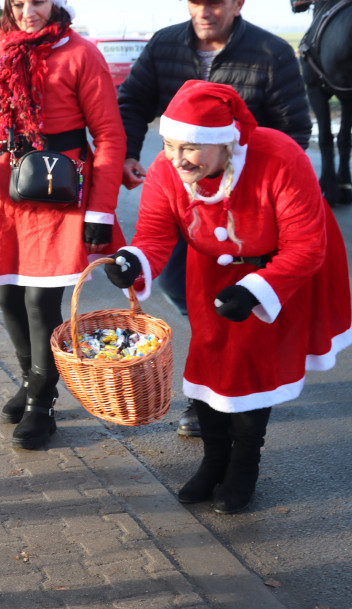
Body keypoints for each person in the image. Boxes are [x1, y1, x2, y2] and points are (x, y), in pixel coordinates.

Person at [104, 81, 352, 514]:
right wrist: (134, 260)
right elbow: (156, 235)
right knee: (210, 359)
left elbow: (307, 246)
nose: (176, 159)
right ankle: (213, 460)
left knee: (252, 368)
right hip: (209, 275)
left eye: (191, 148)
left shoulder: (279, 157)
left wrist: (258, 288)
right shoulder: (169, 169)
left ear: (224, 143)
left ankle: (243, 466)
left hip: (275, 274)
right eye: (168, 144)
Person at [117, 0, 313, 437]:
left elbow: (293, 130)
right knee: (182, 288)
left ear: (238, 3)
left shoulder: (271, 52)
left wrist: (268, 185)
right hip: (188, 197)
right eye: (195, 1)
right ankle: (217, 367)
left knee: (239, 307)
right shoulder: (165, 44)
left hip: (248, 208)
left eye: (216, 1)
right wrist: (131, 152)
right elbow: (132, 100)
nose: (204, 10)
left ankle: (237, 386)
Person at [0, 0, 127, 450]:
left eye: (37, 2)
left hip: (59, 195)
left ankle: (42, 404)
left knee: (42, 304)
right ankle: (31, 382)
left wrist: (100, 211)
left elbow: (108, 135)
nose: (28, 12)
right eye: (18, 3)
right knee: (6, 294)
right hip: (5, 197)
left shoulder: (81, 54)